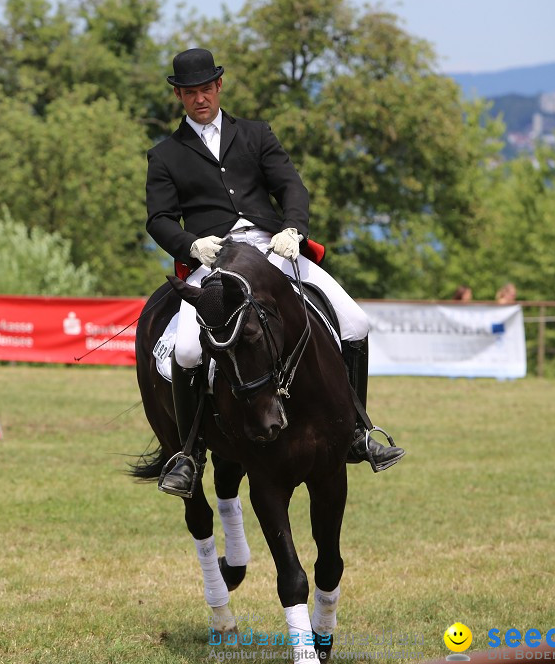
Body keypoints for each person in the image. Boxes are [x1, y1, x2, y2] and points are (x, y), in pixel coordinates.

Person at [145, 48, 404, 497]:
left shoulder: (255, 134)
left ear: (218, 87)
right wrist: (191, 245)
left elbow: (291, 185)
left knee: (356, 321)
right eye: (190, 93)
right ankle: (188, 454)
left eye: (205, 89)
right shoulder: (166, 154)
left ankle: (358, 430)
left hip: (274, 249)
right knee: (187, 350)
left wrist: (294, 228)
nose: (199, 99)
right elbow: (159, 219)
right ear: (179, 96)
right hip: (215, 259)